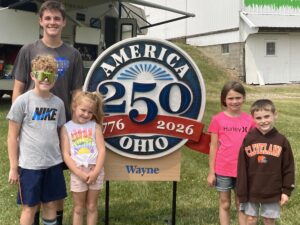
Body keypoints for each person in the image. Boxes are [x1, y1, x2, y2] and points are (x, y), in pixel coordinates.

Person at [11, 1, 84, 224]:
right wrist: (19, 123)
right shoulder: (28, 50)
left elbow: (77, 92)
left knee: (56, 183)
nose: (52, 22)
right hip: (33, 126)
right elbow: (18, 89)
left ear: (63, 22)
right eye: (48, 18)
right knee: (32, 185)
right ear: (41, 21)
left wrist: (78, 124)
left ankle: (55, 220)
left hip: (60, 126)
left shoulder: (73, 54)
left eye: (57, 18)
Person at [7, 55, 67, 225]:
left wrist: (65, 155)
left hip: (53, 163)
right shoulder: (22, 101)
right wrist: (13, 167)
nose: (46, 80)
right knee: (29, 207)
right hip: (29, 165)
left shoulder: (59, 104)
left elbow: (61, 132)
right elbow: (12, 136)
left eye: (50, 76)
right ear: (33, 76)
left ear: (55, 78)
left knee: (50, 205)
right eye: (42, 75)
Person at [237, 99, 295, 225]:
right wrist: (241, 191)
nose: (263, 121)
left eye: (267, 116)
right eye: (259, 118)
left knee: (269, 220)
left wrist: (286, 191)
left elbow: (288, 167)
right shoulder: (248, 139)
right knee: (250, 219)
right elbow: (242, 167)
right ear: (253, 119)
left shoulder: (281, 140)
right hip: (251, 189)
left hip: (272, 190)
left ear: (275, 115)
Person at [207, 81, 255, 225]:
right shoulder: (217, 119)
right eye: (230, 98)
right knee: (225, 203)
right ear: (224, 99)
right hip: (223, 169)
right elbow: (213, 147)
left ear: (244, 98)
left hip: (243, 170)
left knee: (241, 203)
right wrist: (211, 172)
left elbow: (254, 146)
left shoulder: (250, 120)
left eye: (238, 98)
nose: (234, 101)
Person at [60, 91, 106, 225]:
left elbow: (102, 150)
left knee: (92, 206)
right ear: (74, 106)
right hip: (78, 171)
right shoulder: (66, 128)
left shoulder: (95, 127)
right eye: (83, 110)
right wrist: (79, 173)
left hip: (95, 171)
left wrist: (96, 171)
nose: (86, 114)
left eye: (90, 112)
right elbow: (66, 154)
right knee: (78, 208)